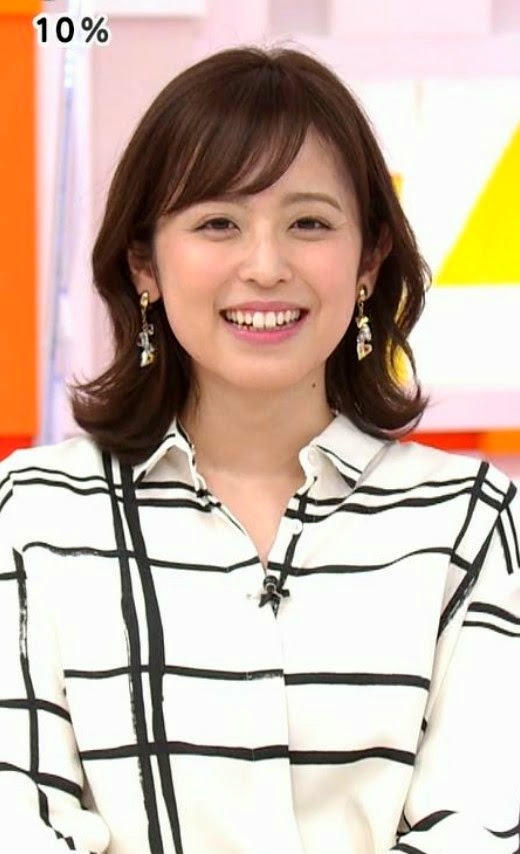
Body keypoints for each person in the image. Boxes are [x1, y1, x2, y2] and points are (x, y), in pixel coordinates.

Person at [0, 44, 518, 854]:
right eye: (218, 223)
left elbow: (483, 825)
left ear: (369, 259)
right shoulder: (32, 512)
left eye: (309, 223)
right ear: (144, 263)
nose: (266, 266)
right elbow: (18, 818)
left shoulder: (472, 523)